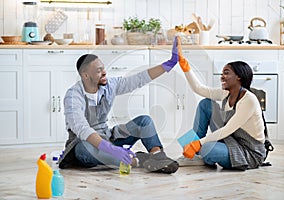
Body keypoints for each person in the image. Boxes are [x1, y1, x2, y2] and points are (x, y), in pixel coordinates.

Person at [58, 37, 180, 174]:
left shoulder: (109, 85)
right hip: (86, 144)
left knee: (144, 121)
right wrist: (111, 150)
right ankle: (139, 161)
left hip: (108, 137)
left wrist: (168, 64)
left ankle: (157, 157)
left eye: (103, 68)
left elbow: (137, 80)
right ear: (85, 76)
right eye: (99, 71)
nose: (104, 72)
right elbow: (82, 129)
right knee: (83, 150)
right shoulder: (73, 96)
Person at [177, 38, 266, 170]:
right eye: (222, 73)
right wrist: (183, 64)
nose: (222, 77)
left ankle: (201, 153)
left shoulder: (249, 100)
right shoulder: (226, 94)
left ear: (239, 77)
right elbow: (199, 88)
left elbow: (227, 130)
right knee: (206, 104)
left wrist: (199, 143)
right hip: (231, 139)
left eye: (226, 73)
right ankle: (193, 154)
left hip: (249, 152)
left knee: (207, 148)